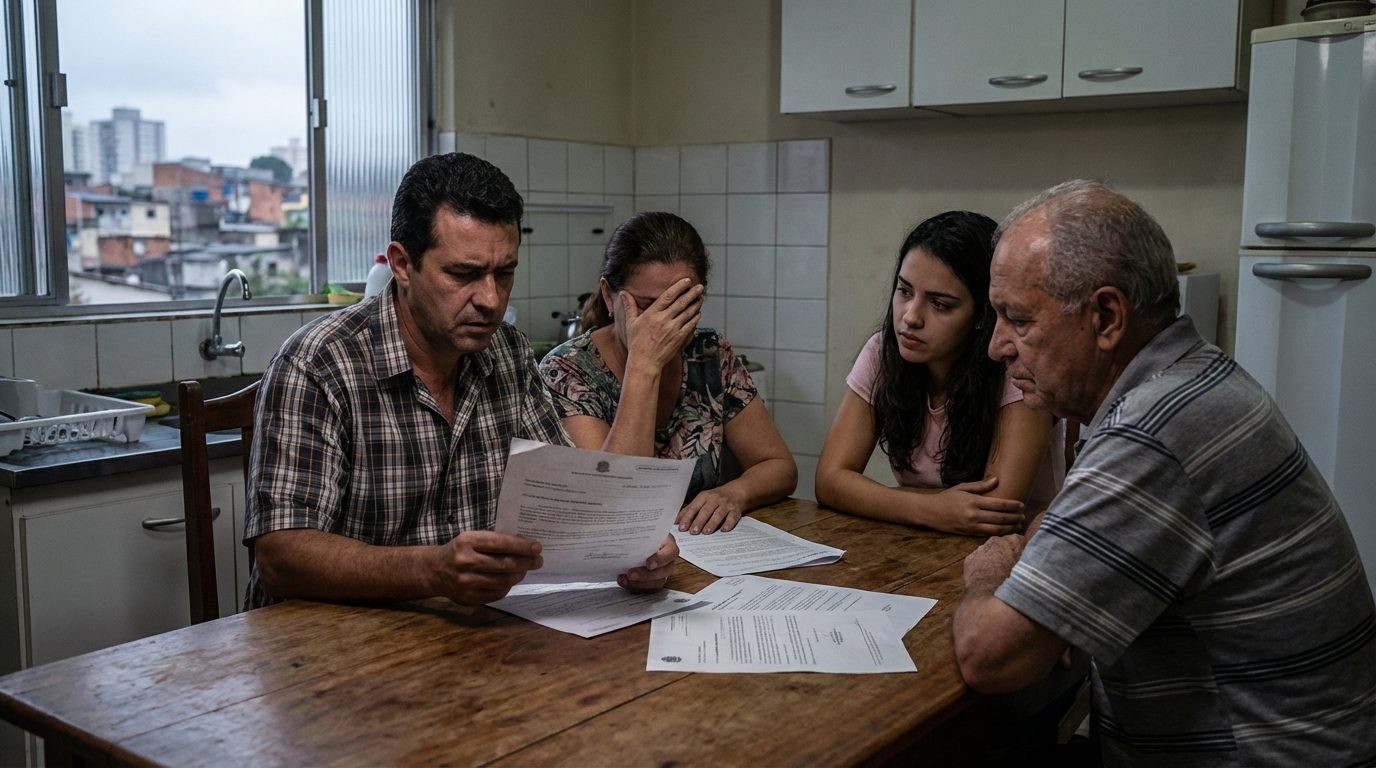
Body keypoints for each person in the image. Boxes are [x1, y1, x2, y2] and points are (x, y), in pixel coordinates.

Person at [953, 180, 1376, 766]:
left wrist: (990, 575)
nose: (998, 346)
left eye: (1017, 319)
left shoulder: (1151, 430)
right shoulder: (1192, 376)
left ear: (1106, 315)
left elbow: (990, 656)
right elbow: (1073, 516)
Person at [243, 153, 678, 609]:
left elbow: (571, 501)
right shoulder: (319, 364)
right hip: (329, 644)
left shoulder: (507, 353)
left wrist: (634, 545)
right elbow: (280, 558)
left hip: (467, 634)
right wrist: (433, 570)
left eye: (504, 273)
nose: (490, 300)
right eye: (463, 274)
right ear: (402, 264)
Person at [539, 212, 796, 536]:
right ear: (608, 295)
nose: (665, 324)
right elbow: (614, 501)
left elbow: (779, 467)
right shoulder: (566, 370)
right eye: (648, 307)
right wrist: (645, 364)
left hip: (700, 557)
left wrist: (733, 493)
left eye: (681, 305)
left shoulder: (710, 353)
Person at [815, 211, 1061, 537]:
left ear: (981, 316)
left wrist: (884, 498)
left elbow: (994, 511)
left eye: (940, 304)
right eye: (904, 291)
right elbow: (830, 480)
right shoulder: (883, 352)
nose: (911, 317)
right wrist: (931, 508)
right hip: (918, 543)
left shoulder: (1015, 366)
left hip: (1019, 556)